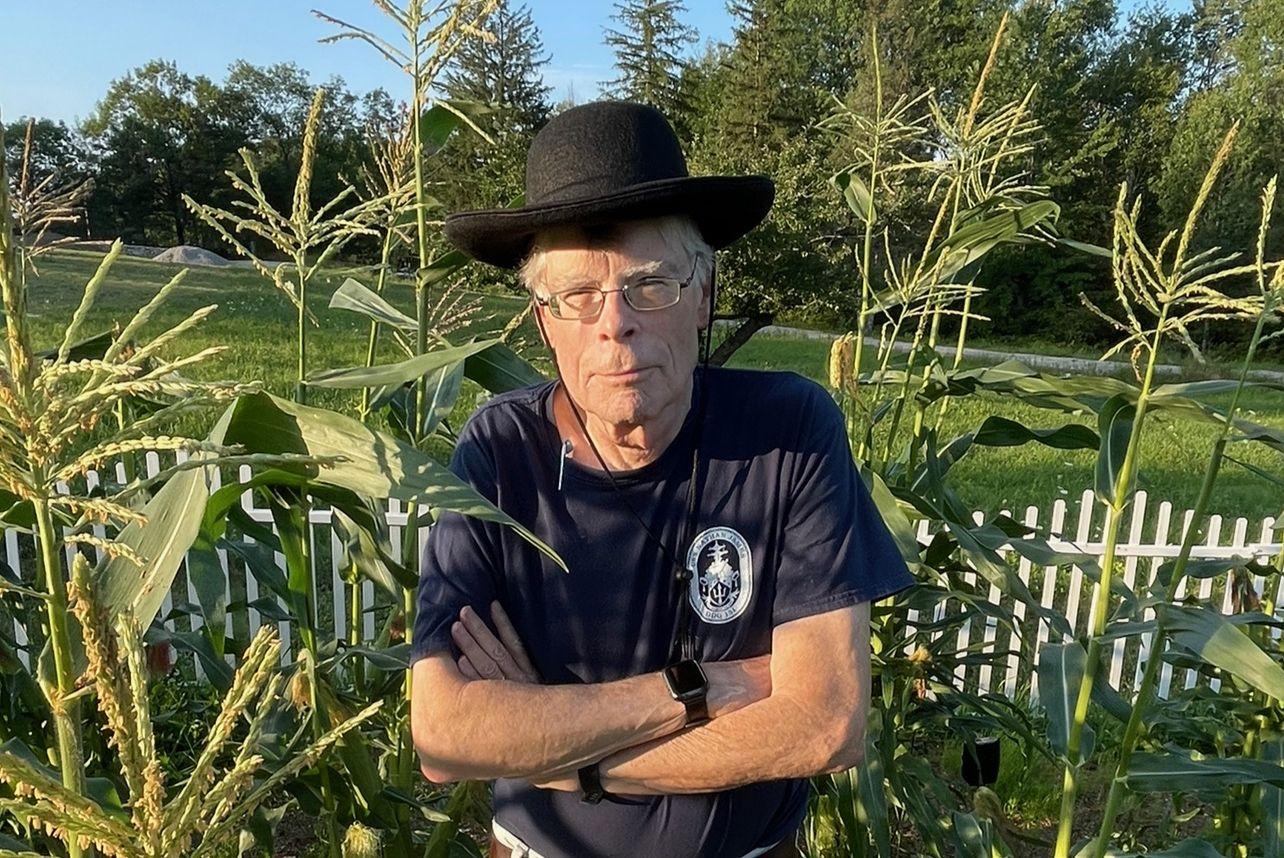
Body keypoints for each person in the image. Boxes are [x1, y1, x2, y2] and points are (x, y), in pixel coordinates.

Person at [409, 100, 913, 858]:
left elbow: (826, 724)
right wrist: (701, 687)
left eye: (650, 286)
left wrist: (570, 763)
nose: (614, 323)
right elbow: (446, 735)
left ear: (703, 294)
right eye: (578, 297)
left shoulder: (786, 433)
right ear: (543, 322)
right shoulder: (501, 455)